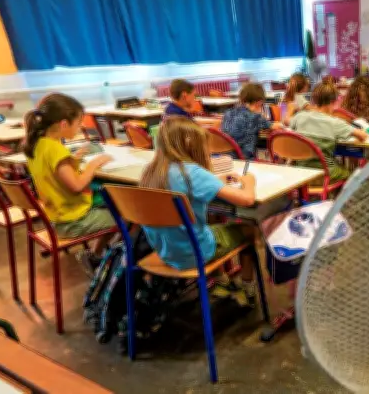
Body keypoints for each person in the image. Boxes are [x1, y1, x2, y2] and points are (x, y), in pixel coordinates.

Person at [140, 116, 261, 305]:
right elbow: (247, 199)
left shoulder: (151, 171)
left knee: (210, 220)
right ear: (190, 144)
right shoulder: (192, 173)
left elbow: (194, 187)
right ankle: (248, 289)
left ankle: (221, 281)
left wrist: (215, 182)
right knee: (248, 228)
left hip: (165, 251)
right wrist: (249, 182)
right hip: (194, 253)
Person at [24, 93, 116, 273]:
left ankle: (96, 256)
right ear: (63, 124)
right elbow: (76, 186)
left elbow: (53, 172)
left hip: (56, 217)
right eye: (79, 122)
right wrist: (93, 164)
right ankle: (103, 260)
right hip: (73, 221)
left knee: (112, 205)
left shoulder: (38, 144)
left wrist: (72, 159)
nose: (81, 126)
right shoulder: (56, 150)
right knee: (128, 215)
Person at [290, 81, 368, 181]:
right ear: (333, 102)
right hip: (325, 175)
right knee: (352, 175)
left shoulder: (299, 116)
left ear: (313, 100)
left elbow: (287, 124)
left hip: (301, 175)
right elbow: (363, 136)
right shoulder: (335, 123)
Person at [221, 83, 283, 160]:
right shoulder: (255, 117)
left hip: (226, 158)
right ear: (259, 102)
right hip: (245, 160)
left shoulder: (228, 113)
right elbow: (276, 126)